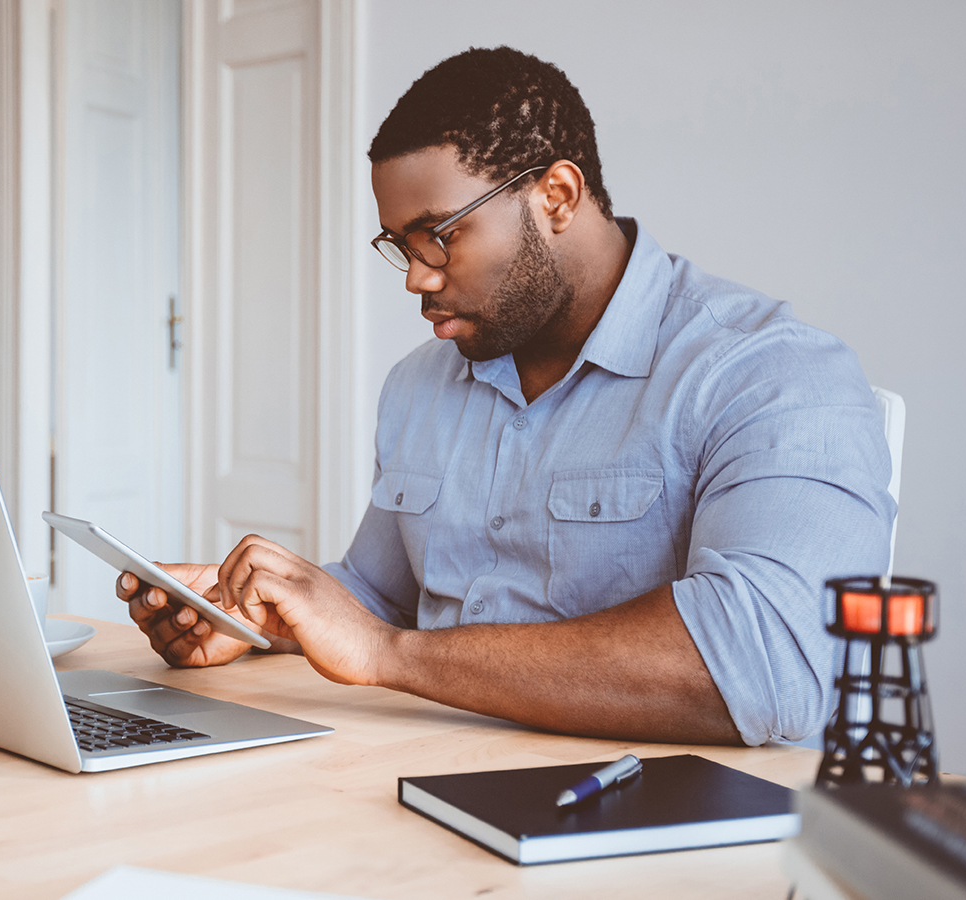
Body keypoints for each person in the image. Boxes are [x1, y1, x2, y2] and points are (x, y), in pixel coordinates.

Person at [118, 46, 894, 747]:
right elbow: (381, 596)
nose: (417, 278)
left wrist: (390, 655)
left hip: (654, 828)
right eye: (400, 246)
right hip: (405, 775)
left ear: (557, 194)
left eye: (440, 234)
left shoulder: (768, 373)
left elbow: (766, 667)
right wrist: (258, 616)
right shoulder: (419, 384)